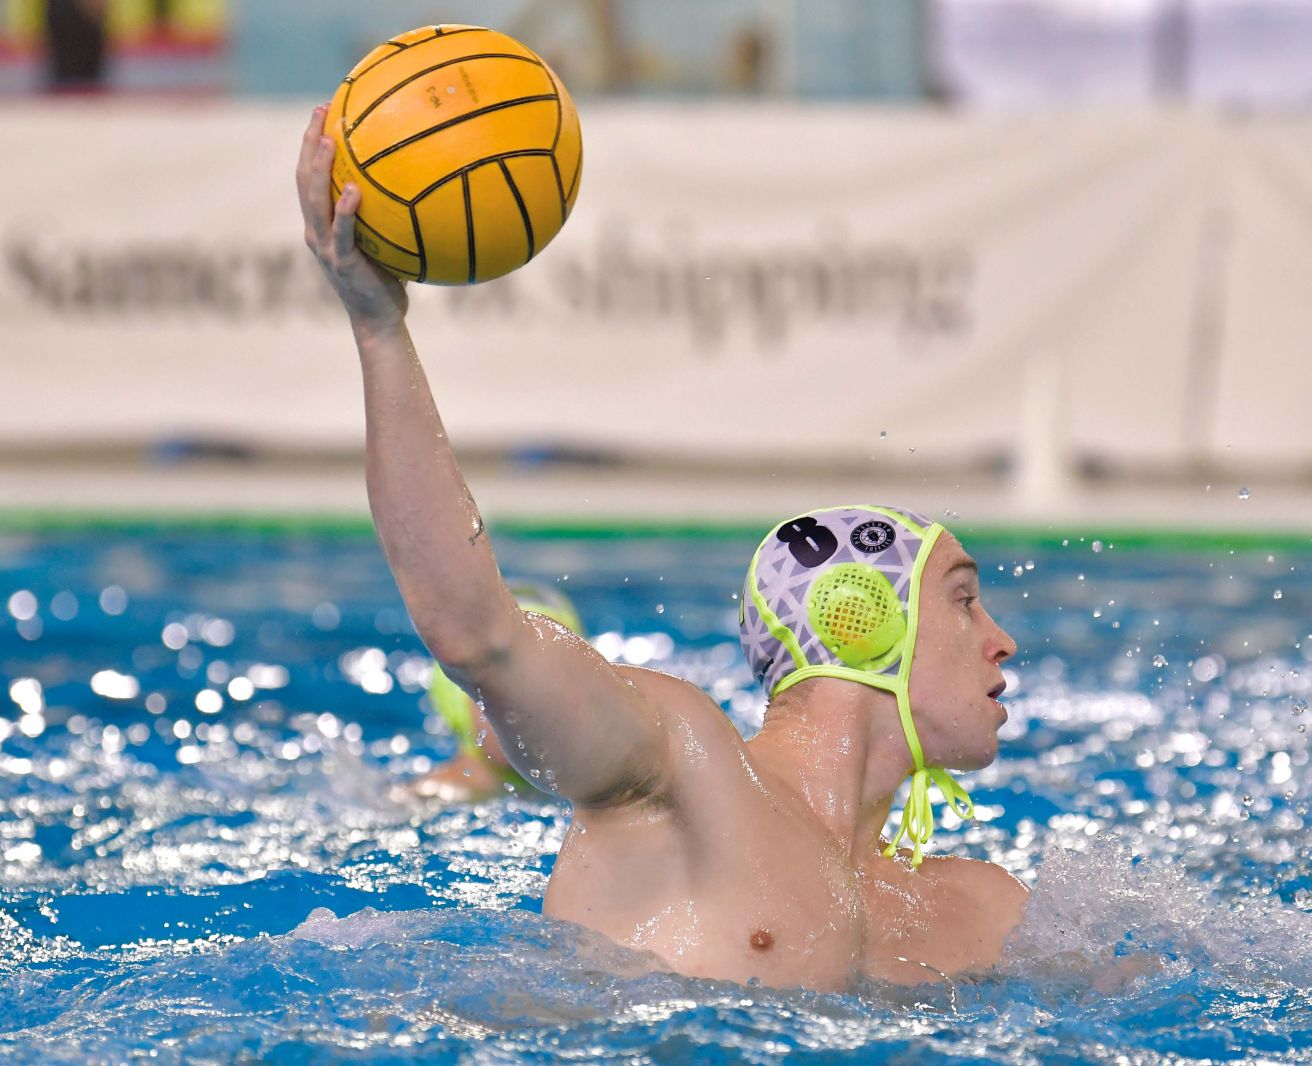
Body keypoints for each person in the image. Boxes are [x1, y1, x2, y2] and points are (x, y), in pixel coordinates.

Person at [295, 105, 1026, 990]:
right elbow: (474, 633)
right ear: (861, 619)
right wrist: (379, 331)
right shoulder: (681, 768)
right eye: (961, 597)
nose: (1001, 638)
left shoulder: (985, 909)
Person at [413, 580, 586, 802]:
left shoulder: (620, 788)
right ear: (460, 696)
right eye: (503, 677)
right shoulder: (423, 801)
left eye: (553, 672)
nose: (530, 694)